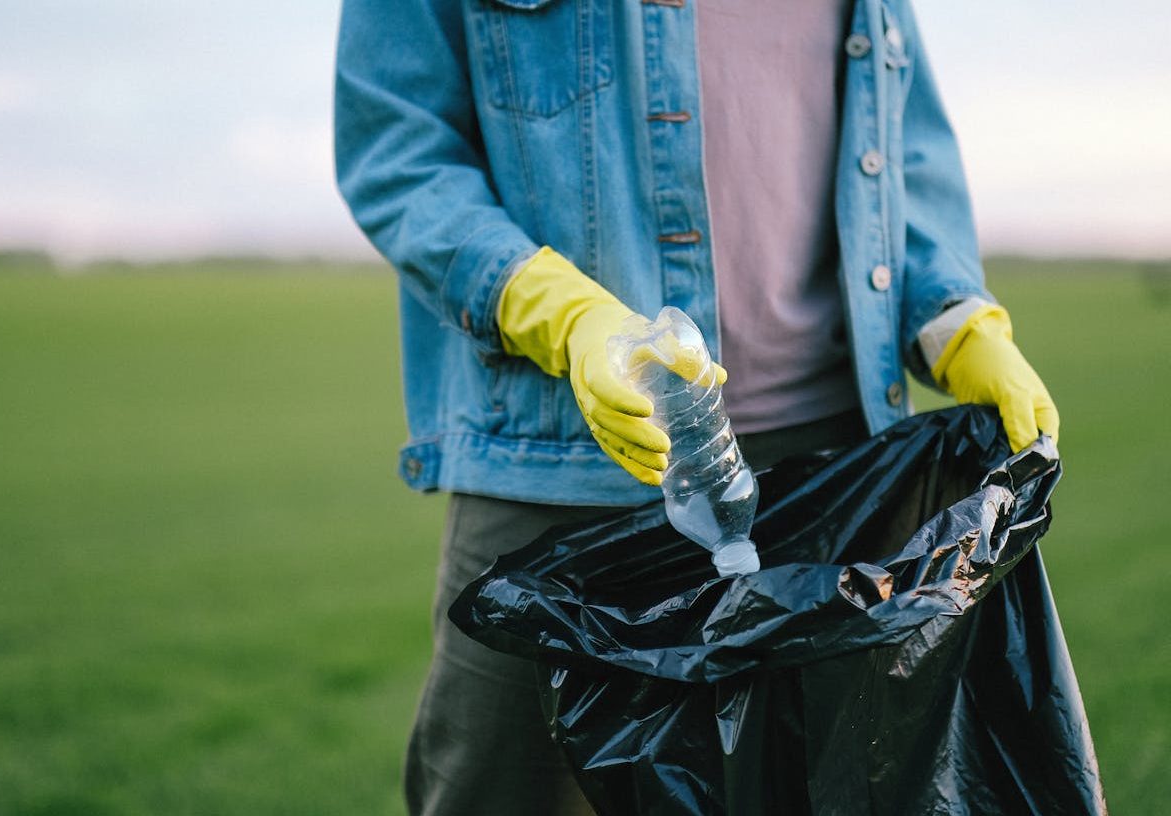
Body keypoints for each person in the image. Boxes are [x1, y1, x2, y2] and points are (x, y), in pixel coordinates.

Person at [334, 1, 1059, 813]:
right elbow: (399, 152)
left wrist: (958, 323)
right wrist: (568, 318)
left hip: (835, 470)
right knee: (502, 795)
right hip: (557, 468)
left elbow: (899, 150)